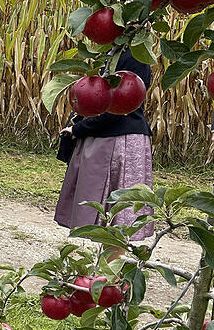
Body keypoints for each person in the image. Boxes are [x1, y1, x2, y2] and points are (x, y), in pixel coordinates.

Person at [54, 49, 153, 240]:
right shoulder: (114, 54)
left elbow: (117, 108)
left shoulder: (134, 57)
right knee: (116, 219)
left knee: (122, 219)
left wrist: (80, 128)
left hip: (119, 141)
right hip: (112, 136)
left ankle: (110, 268)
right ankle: (106, 266)